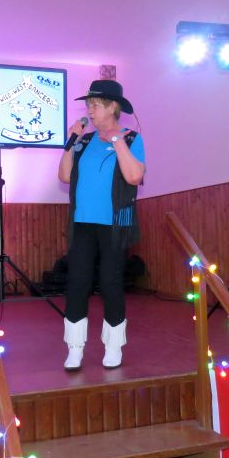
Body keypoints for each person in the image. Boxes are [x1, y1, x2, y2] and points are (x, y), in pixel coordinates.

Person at [57, 79, 146, 370]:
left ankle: (113, 346)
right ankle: (74, 348)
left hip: (114, 224)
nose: (90, 110)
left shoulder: (131, 139)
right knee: (77, 282)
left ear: (112, 107)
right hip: (83, 222)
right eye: (89, 105)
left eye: (95, 105)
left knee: (110, 282)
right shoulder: (83, 141)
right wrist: (70, 143)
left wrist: (117, 141)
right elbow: (65, 176)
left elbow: (134, 176)